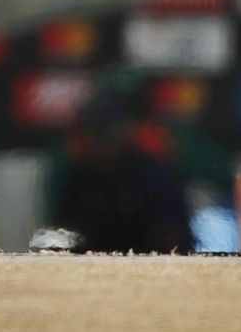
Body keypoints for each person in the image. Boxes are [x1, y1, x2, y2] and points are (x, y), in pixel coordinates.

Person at [39, 75, 194, 254]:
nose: (103, 139)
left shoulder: (154, 173)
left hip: (149, 263)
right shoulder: (76, 173)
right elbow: (63, 233)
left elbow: (173, 236)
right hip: (90, 266)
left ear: (127, 129)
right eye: (95, 130)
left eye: (109, 130)